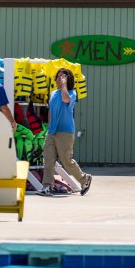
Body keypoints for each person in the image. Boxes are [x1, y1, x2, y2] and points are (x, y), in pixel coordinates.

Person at [43, 67, 91, 196]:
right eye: (58, 76)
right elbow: (50, 110)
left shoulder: (72, 93)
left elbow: (65, 100)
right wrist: (49, 127)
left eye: (63, 77)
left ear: (68, 79)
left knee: (66, 161)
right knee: (48, 159)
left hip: (65, 132)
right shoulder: (53, 93)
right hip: (52, 132)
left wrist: (64, 85)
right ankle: (47, 186)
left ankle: (84, 179)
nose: (59, 79)